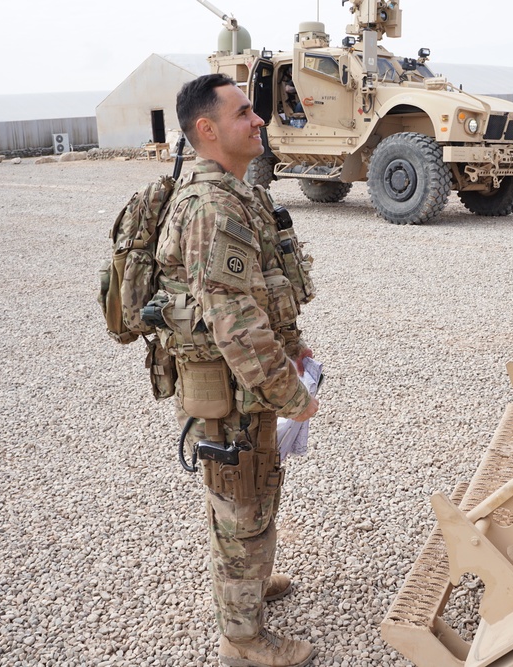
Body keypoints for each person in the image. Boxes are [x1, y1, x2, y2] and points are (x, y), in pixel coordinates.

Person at [154, 73, 319, 667]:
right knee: (242, 507)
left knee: (247, 499)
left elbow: (268, 288)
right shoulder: (213, 206)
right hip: (231, 394)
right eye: (245, 113)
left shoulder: (238, 191)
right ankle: (243, 641)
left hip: (245, 390)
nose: (258, 121)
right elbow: (236, 324)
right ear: (208, 129)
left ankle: (245, 587)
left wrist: (295, 349)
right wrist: (292, 393)